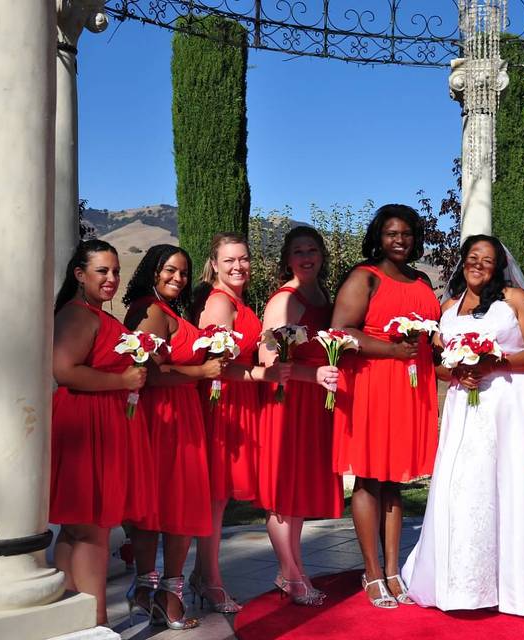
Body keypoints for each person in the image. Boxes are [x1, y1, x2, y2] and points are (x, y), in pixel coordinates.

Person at [401, 235, 524, 616]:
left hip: (511, 403)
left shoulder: (514, 300)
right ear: (462, 261)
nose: (478, 265)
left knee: (513, 485)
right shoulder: (448, 307)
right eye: (472, 257)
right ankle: (463, 581)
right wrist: (456, 371)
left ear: (498, 266)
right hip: (465, 406)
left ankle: (517, 584)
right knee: (466, 489)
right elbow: (436, 365)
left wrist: (495, 364)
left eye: (487, 260)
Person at [331, 204, 441, 608]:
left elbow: (434, 338)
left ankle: (393, 571)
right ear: (379, 236)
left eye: (407, 234)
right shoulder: (365, 278)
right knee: (369, 478)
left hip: (411, 388)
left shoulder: (422, 280)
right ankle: (372, 572)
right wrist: (391, 351)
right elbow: (341, 331)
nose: (400, 240)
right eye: (392, 233)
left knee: (395, 481)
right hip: (373, 386)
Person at [50, 240, 154, 624]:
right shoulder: (78, 315)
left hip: (101, 425)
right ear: (80, 275)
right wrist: (123, 379)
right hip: (85, 427)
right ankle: (96, 623)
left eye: (115, 271)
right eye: (102, 271)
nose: (111, 278)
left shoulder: (94, 314)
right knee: (90, 530)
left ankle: (70, 618)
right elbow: (63, 370)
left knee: (79, 529)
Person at [188, 232, 290, 613]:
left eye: (243, 259)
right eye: (229, 260)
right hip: (223, 405)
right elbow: (218, 368)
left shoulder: (238, 302)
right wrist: (262, 377)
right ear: (214, 264)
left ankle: (204, 575)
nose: (238, 266)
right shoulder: (219, 304)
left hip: (239, 403)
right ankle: (211, 581)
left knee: (220, 498)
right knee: (215, 499)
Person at [121, 244, 221, 629]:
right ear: (152, 270)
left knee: (159, 505)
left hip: (178, 414)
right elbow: (151, 374)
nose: (178, 278)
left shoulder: (163, 311)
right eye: (170, 270)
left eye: (183, 272)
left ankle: (147, 590)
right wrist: (203, 371)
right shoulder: (149, 311)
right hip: (164, 418)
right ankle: (168, 593)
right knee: (178, 505)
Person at [256, 227, 342, 606]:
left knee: (299, 493)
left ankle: (287, 569)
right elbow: (269, 359)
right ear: (287, 259)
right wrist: (314, 375)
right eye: (298, 251)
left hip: (314, 405)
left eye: (312, 250)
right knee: (284, 493)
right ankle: (293, 575)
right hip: (288, 404)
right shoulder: (283, 299)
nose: (306, 256)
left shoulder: (322, 296)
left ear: (321, 255)